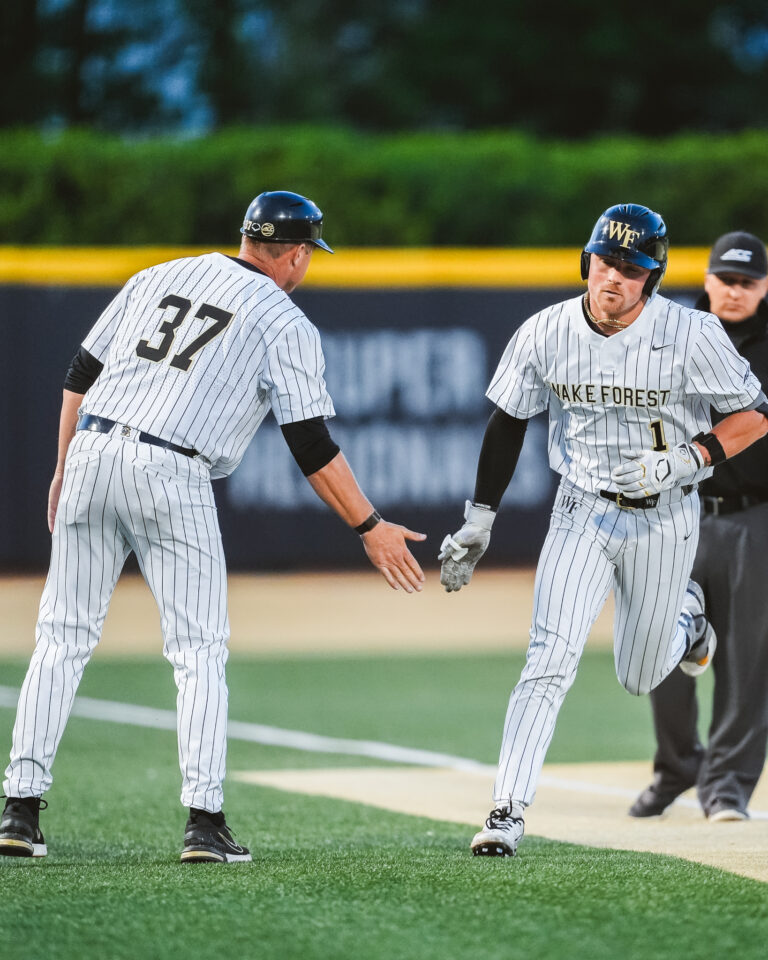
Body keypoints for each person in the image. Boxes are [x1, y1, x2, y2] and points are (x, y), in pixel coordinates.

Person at [0, 190, 426, 864]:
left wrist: (62, 465)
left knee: (61, 635)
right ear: (292, 254)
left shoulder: (162, 273)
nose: (306, 264)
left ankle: (19, 813)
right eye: (308, 252)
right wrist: (368, 524)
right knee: (198, 649)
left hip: (92, 449)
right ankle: (204, 823)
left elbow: (82, 371)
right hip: (173, 468)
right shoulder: (282, 317)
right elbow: (311, 443)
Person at [438, 203, 768, 858]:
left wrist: (690, 457)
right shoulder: (545, 331)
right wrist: (480, 517)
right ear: (585, 260)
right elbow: (508, 421)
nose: (613, 277)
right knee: (548, 658)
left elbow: (753, 418)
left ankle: (688, 624)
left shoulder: (692, 333)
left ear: (652, 275)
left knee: (641, 675)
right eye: (605, 261)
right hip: (581, 507)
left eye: (630, 267)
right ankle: (506, 810)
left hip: (667, 514)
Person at [629, 231, 768, 822]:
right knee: (660, 648)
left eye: (747, 282)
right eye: (725, 279)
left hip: (755, 516)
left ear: (763, 287)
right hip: (677, 513)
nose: (734, 291)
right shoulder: (673, 335)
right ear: (706, 279)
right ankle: (678, 764)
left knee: (747, 658)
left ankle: (727, 786)